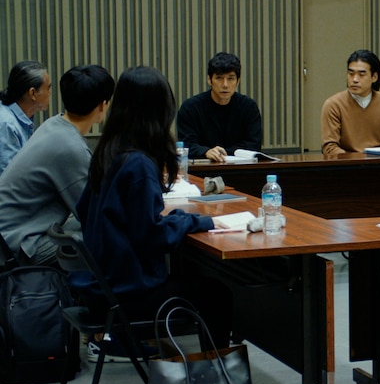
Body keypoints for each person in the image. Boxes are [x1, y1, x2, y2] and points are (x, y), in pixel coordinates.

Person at [69, 66, 233, 361]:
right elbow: (152, 236)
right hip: (127, 294)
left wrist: (174, 221)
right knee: (217, 295)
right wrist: (199, 221)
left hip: (101, 287)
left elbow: (84, 210)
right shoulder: (139, 164)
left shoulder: (108, 150)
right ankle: (218, 383)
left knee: (202, 285)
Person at [0, 65, 114, 267]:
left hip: (12, 231)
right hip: (17, 244)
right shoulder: (70, 147)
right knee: (109, 240)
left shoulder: (54, 124)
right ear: (102, 106)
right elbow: (94, 213)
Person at [176, 51, 262, 162]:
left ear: (238, 81)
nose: (225, 84)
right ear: (209, 80)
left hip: (239, 168)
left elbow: (253, 144)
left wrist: (223, 153)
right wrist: (206, 151)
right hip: (203, 169)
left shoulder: (249, 107)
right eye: (219, 78)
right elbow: (186, 146)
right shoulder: (191, 108)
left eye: (230, 78)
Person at [320, 49, 380, 156]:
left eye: (361, 74)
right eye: (351, 73)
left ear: (374, 77)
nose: (354, 79)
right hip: (346, 166)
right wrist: (355, 162)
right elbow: (329, 146)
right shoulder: (333, 104)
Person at [0, 60, 52, 174]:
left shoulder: (21, 117)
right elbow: (9, 178)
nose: (50, 93)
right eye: (48, 88)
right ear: (33, 93)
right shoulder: (6, 124)